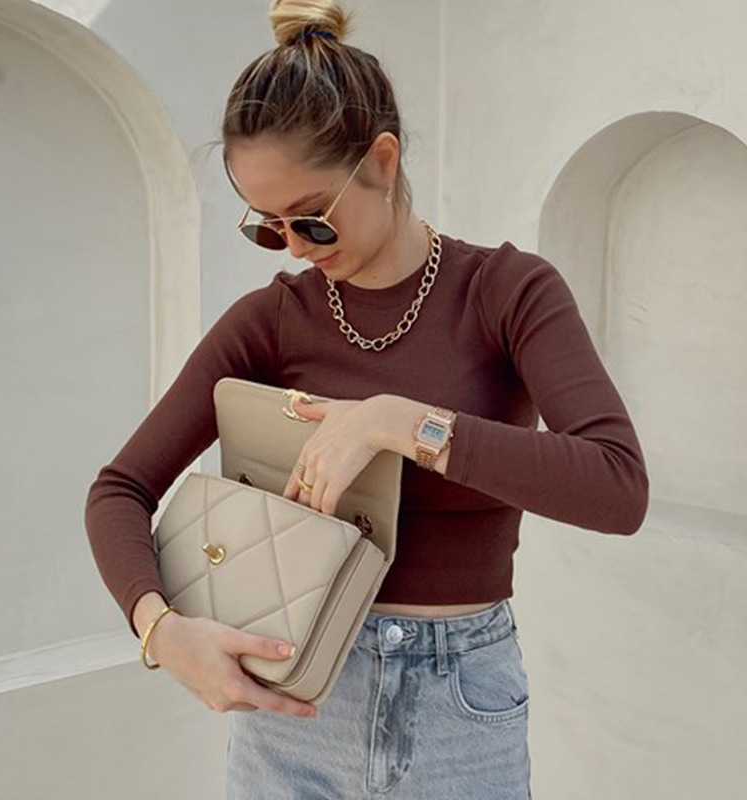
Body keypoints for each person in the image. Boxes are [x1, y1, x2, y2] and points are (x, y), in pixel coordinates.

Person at [84, 1, 649, 797]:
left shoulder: (507, 293)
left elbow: (616, 487)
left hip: (461, 708)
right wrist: (161, 631)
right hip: (294, 704)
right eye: (268, 227)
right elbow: (120, 488)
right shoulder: (270, 320)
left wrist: (400, 422)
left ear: (382, 161)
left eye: (311, 220)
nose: (294, 248)